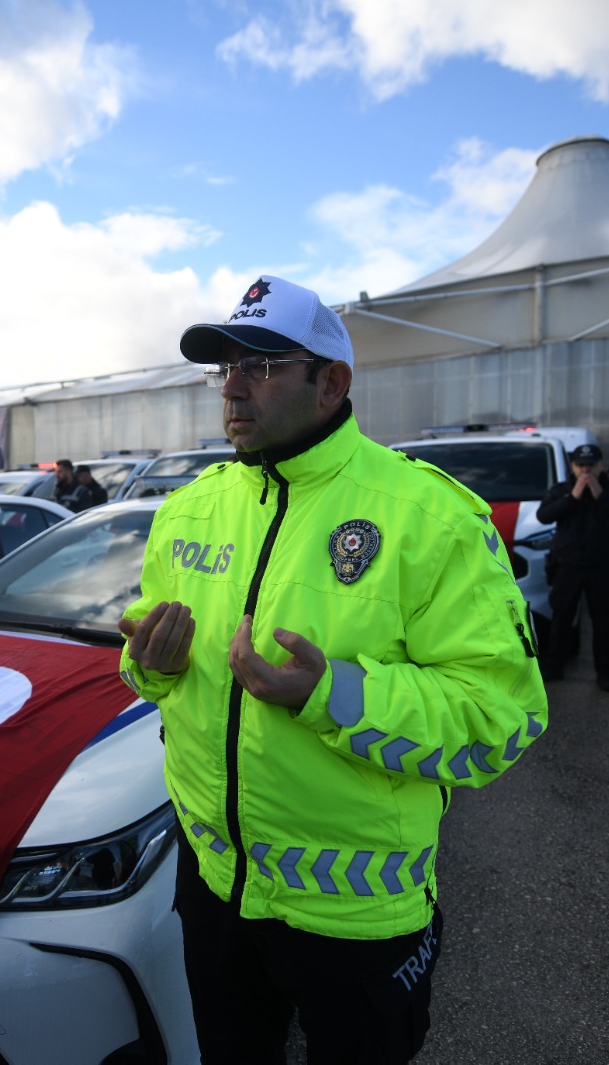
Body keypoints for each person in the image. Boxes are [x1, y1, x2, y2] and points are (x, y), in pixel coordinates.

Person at [117, 275, 549, 1063]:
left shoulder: (430, 516)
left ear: (331, 383)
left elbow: (501, 717)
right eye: (226, 369)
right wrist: (150, 665)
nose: (233, 389)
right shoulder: (187, 510)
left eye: (260, 366)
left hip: (357, 917)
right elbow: (148, 658)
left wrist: (332, 693)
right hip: (214, 890)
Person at [536, 442, 609, 692]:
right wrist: (572, 498)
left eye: (590, 465)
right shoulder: (561, 490)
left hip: (600, 566)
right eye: (580, 465)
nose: (585, 470)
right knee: (561, 618)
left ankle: (605, 673)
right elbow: (544, 515)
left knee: (603, 622)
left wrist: (601, 496)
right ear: (572, 466)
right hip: (567, 565)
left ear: (601, 465)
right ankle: (555, 666)